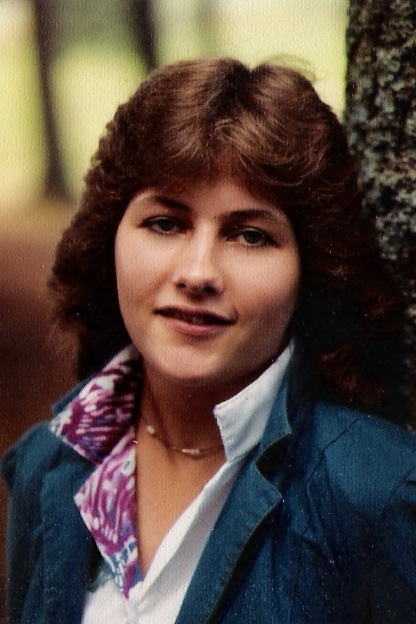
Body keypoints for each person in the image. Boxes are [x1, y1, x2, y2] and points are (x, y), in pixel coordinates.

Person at [2, 57, 416, 624]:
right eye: (165, 223)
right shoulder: (46, 464)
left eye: (250, 235)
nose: (198, 273)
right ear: (110, 237)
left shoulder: (377, 491)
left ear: (312, 269)